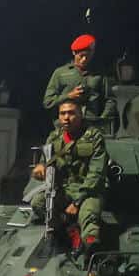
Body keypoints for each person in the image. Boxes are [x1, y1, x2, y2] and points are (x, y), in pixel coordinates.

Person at [30, 98, 110, 251]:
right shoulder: (54, 137)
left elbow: (96, 173)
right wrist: (40, 167)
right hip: (64, 190)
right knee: (38, 203)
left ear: (81, 114)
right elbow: (45, 160)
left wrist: (77, 203)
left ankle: (91, 251)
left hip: (88, 190)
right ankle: (67, 230)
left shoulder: (94, 137)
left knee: (89, 217)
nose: (66, 117)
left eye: (71, 113)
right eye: (62, 113)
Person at [43, 34, 111, 126]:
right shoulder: (60, 73)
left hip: (91, 127)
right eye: (81, 56)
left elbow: (110, 100)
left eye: (88, 56)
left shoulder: (99, 75)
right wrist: (69, 96)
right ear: (74, 53)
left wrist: (102, 119)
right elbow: (48, 102)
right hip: (65, 127)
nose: (84, 59)